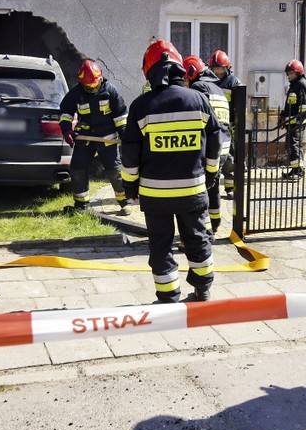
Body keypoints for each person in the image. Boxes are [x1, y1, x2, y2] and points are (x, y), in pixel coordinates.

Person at [121, 41, 222, 303]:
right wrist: (211, 175)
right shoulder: (199, 100)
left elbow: (129, 155)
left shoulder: (141, 107)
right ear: (179, 69)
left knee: (160, 245)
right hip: (193, 191)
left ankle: (168, 297)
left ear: (150, 71)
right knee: (198, 239)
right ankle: (203, 289)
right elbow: (215, 141)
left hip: (156, 196)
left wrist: (130, 188)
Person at [59, 60, 131, 215]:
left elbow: (121, 115)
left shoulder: (110, 90)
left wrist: (125, 134)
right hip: (84, 137)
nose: (92, 88)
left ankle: (125, 202)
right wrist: (67, 131)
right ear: (81, 83)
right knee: (78, 169)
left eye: (94, 84)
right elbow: (65, 113)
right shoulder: (76, 93)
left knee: (115, 171)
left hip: (107, 138)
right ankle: (81, 204)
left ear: (101, 78)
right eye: (88, 86)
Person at [183, 55, 232, 237]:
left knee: (200, 190)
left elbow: (198, 119)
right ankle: (216, 222)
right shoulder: (217, 89)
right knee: (213, 186)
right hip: (223, 147)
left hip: (209, 148)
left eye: (186, 78)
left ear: (192, 73)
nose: (185, 82)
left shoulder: (199, 88)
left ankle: (202, 232)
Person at [208, 50, 242, 199]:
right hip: (213, 127)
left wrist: (235, 124)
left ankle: (230, 188)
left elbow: (239, 105)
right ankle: (212, 188)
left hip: (228, 126)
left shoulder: (233, 82)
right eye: (215, 69)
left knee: (230, 158)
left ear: (227, 68)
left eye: (221, 68)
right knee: (213, 156)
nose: (218, 72)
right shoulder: (208, 82)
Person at [280, 59, 306, 180]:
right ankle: (294, 170)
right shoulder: (294, 85)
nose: (290, 75)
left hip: (297, 123)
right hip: (291, 123)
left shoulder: (302, 84)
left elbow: (305, 106)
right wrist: (283, 115)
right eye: (289, 73)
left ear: (299, 72)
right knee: (291, 146)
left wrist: (299, 120)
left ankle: (299, 172)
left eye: (292, 73)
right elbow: (291, 104)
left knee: (295, 145)